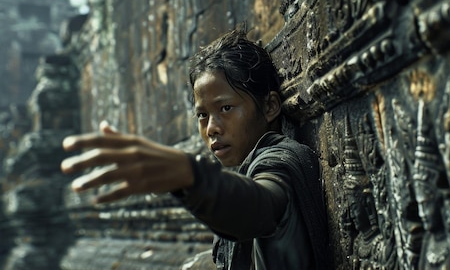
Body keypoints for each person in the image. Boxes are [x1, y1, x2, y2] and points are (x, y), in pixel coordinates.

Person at [60, 28, 331, 270]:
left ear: (270, 106)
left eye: (226, 108)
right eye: (202, 115)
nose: (212, 127)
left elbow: (259, 206)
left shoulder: (279, 161)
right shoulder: (249, 166)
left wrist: (192, 176)